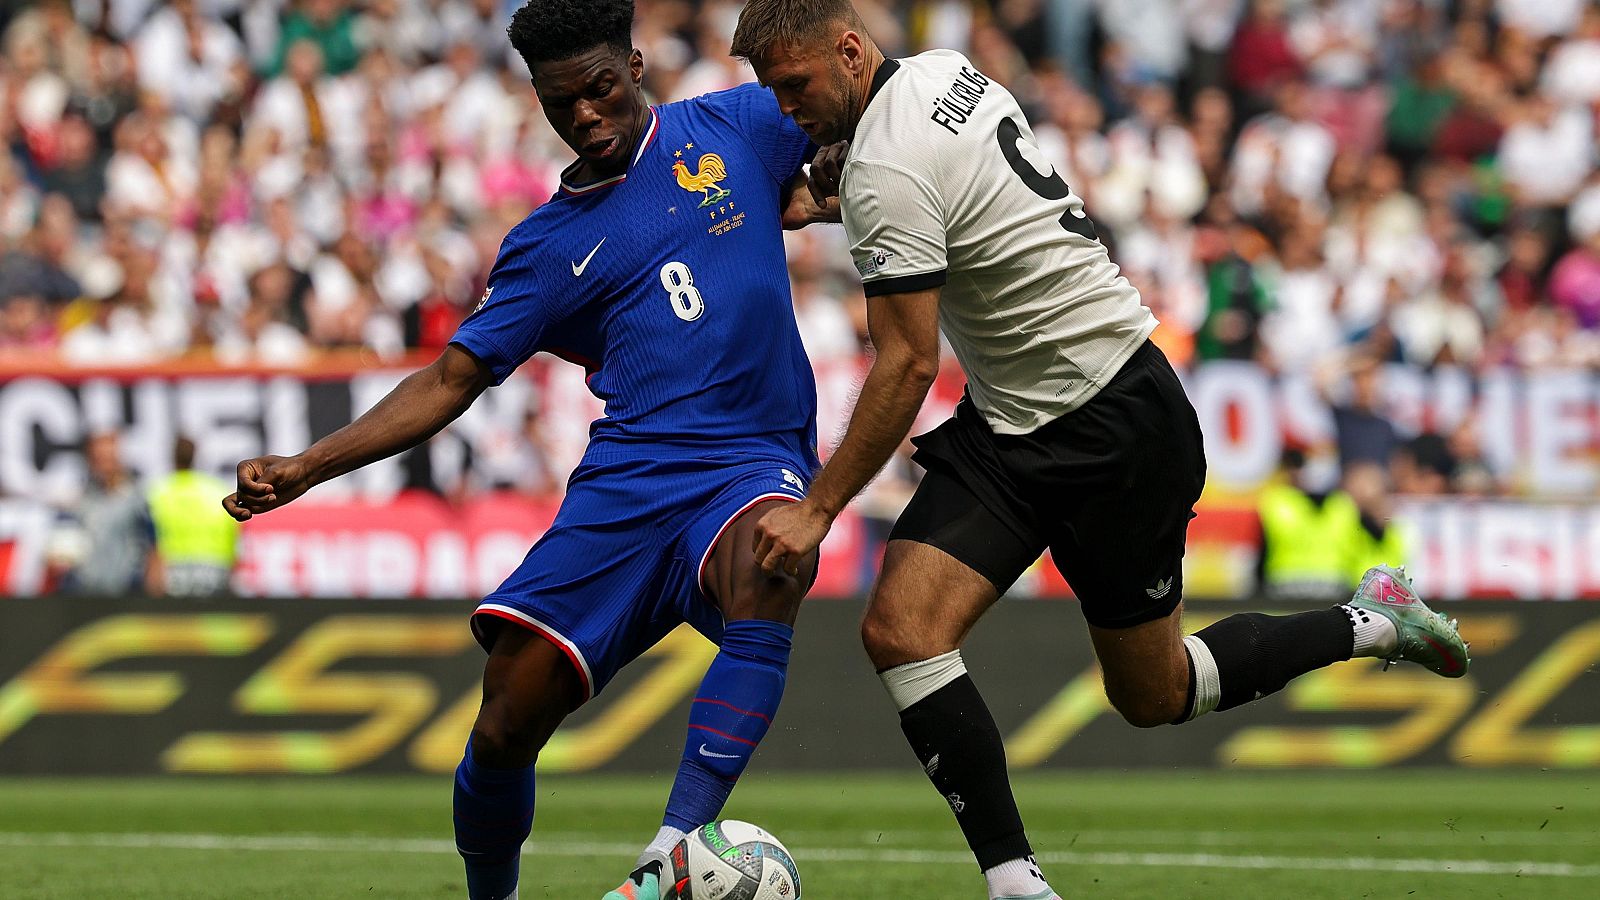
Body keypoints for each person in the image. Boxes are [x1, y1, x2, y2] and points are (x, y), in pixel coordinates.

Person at [730, 3, 1471, 898]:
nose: (785, 108)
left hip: (1118, 420)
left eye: (795, 86)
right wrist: (832, 193)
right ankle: (1017, 884)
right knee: (900, 629)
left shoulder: (885, 162)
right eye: (771, 92)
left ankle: (1377, 621)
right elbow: (939, 183)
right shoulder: (944, 72)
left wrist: (817, 509)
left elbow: (908, 365)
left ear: (849, 51)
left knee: (1156, 695)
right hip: (1018, 421)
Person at [223, 2, 838, 898]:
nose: (586, 115)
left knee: (772, 561)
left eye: (599, 90)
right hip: (628, 487)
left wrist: (825, 189)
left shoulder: (736, 124)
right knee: (506, 722)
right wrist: (306, 467)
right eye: (563, 106)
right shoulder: (547, 247)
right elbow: (448, 382)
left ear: (634, 65)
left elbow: (845, 139)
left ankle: (670, 853)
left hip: (750, 462)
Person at [147, 436, 240, 597]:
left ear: (173, 456)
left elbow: (150, 540)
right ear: (196, 456)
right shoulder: (218, 490)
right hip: (215, 573)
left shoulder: (158, 492)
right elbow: (235, 534)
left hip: (174, 574)